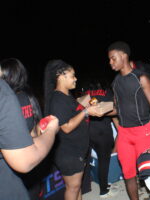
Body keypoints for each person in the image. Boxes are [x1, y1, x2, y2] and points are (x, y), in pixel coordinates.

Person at [108, 41, 150, 200]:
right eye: (110, 59)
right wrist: (100, 112)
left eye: (113, 58)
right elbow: (118, 108)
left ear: (124, 56)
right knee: (128, 174)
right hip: (124, 134)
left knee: (149, 171)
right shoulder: (115, 82)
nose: (110, 62)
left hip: (143, 131)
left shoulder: (141, 78)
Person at [44, 59, 102, 200]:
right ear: (61, 76)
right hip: (68, 153)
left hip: (76, 151)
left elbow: (71, 113)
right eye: (72, 75)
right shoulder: (57, 100)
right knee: (72, 188)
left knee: (77, 188)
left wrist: (84, 106)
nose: (75, 79)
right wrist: (86, 112)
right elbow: (67, 127)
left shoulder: (66, 96)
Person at [0, 77, 59, 199]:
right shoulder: (5, 93)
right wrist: (51, 130)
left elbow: (31, 131)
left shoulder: (25, 96)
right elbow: (24, 159)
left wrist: (38, 129)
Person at [0, 58, 44, 199]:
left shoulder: (7, 99)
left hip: (13, 168)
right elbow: (37, 129)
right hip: (31, 163)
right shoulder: (29, 96)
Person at [85, 80, 118, 198]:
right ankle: (104, 190)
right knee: (104, 162)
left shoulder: (87, 93)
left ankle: (86, 186)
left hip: (89, 131)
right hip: (103, 132)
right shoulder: (107, 92)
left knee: (89, 160)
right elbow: (114, 108)